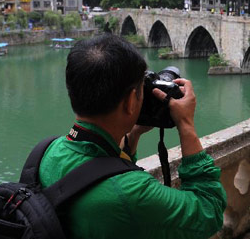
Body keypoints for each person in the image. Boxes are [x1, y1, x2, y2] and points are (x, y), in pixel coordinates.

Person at [39, 34, 227, 239]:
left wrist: (133, 134)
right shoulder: (133, 193)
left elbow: (99, 168)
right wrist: (186, 124)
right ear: (130, 101)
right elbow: (210, 211)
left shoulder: (46, 152)